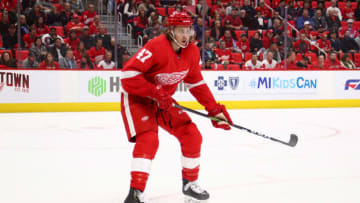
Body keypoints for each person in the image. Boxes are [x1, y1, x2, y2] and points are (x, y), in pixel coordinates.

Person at [121, 12, 233, 203]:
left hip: (163, 100)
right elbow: (128, 76)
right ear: (171, 30)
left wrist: (214, 110)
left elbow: (196, 83)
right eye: (180, 30)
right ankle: (135, 193)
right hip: (138, 98)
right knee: (149, 139)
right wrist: (155, 92)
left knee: (191, 134)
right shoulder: (156, 46)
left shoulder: (192, 52)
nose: (185, 35)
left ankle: (189, 185)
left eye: (188, 30)